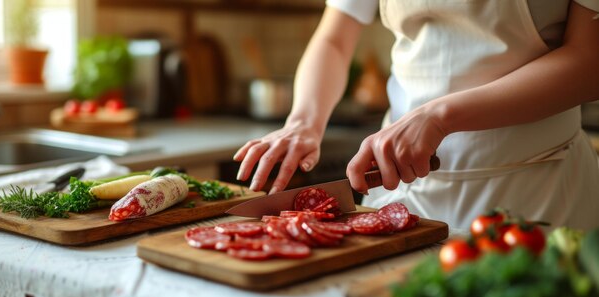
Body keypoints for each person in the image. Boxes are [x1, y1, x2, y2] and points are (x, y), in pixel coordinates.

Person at [233, 0, 599, 231]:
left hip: (537, 193)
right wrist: (304, 121)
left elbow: (590, 63)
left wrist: (440, 115)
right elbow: (335, 38)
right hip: (399, 191)